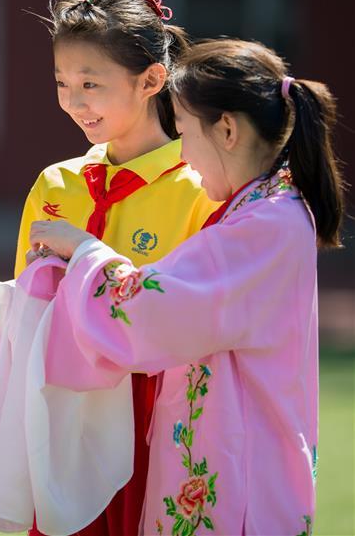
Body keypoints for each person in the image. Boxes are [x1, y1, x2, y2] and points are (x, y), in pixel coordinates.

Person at [31, 38, 344, 535]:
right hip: (233, 455)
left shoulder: (264, 224)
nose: (185, 157)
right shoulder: (262, 210)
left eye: (184, 134)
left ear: (226, 130)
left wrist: (84, 252)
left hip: (241, 478)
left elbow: (155, 308)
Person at [15, 0, 218, 536]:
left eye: (91, 85)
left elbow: (196, 322)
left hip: (156, 419)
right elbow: (27, 312)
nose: (74, 102)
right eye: (62, 84)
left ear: (152, 80)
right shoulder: (55, 185)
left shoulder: (201, 190)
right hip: (63, 418)